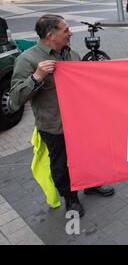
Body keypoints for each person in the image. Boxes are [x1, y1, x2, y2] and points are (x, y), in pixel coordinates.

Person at [9, 15, 115, 218]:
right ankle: (71, 199)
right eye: (66, 30)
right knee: (61, 166)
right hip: (54, 126)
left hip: (80, 123)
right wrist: (36, 77)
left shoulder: (71, 53)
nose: (71, 33)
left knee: (88, 157)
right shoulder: (28, 60)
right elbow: (14, 99)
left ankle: (91, 186)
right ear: (51, 35)